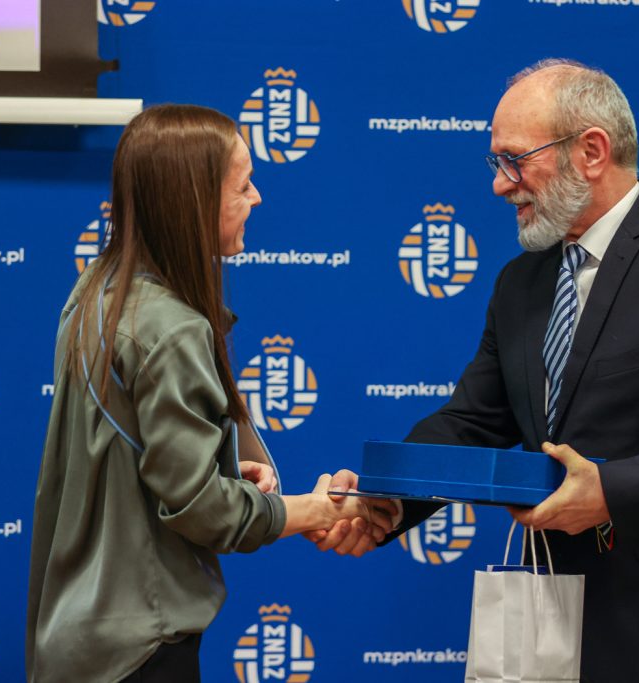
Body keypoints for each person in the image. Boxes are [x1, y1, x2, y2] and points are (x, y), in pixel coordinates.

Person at [313, 60, 639, 682]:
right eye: (496, 162)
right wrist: (385, 497)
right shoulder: (521, 281)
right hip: (556, 626)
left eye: (514, 160)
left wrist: (612, 492)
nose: (500, 185)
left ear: (592, 152)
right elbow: (473, 421)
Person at [26, 104, 394, 683]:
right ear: (195, 202)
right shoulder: (171, 328)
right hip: (139, 647)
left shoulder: (95, 293)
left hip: (79, 637)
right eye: (243, 186)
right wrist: (317, 509)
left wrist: (218, 464)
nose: (258, 198)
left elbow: (133, 461)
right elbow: (202, 510)